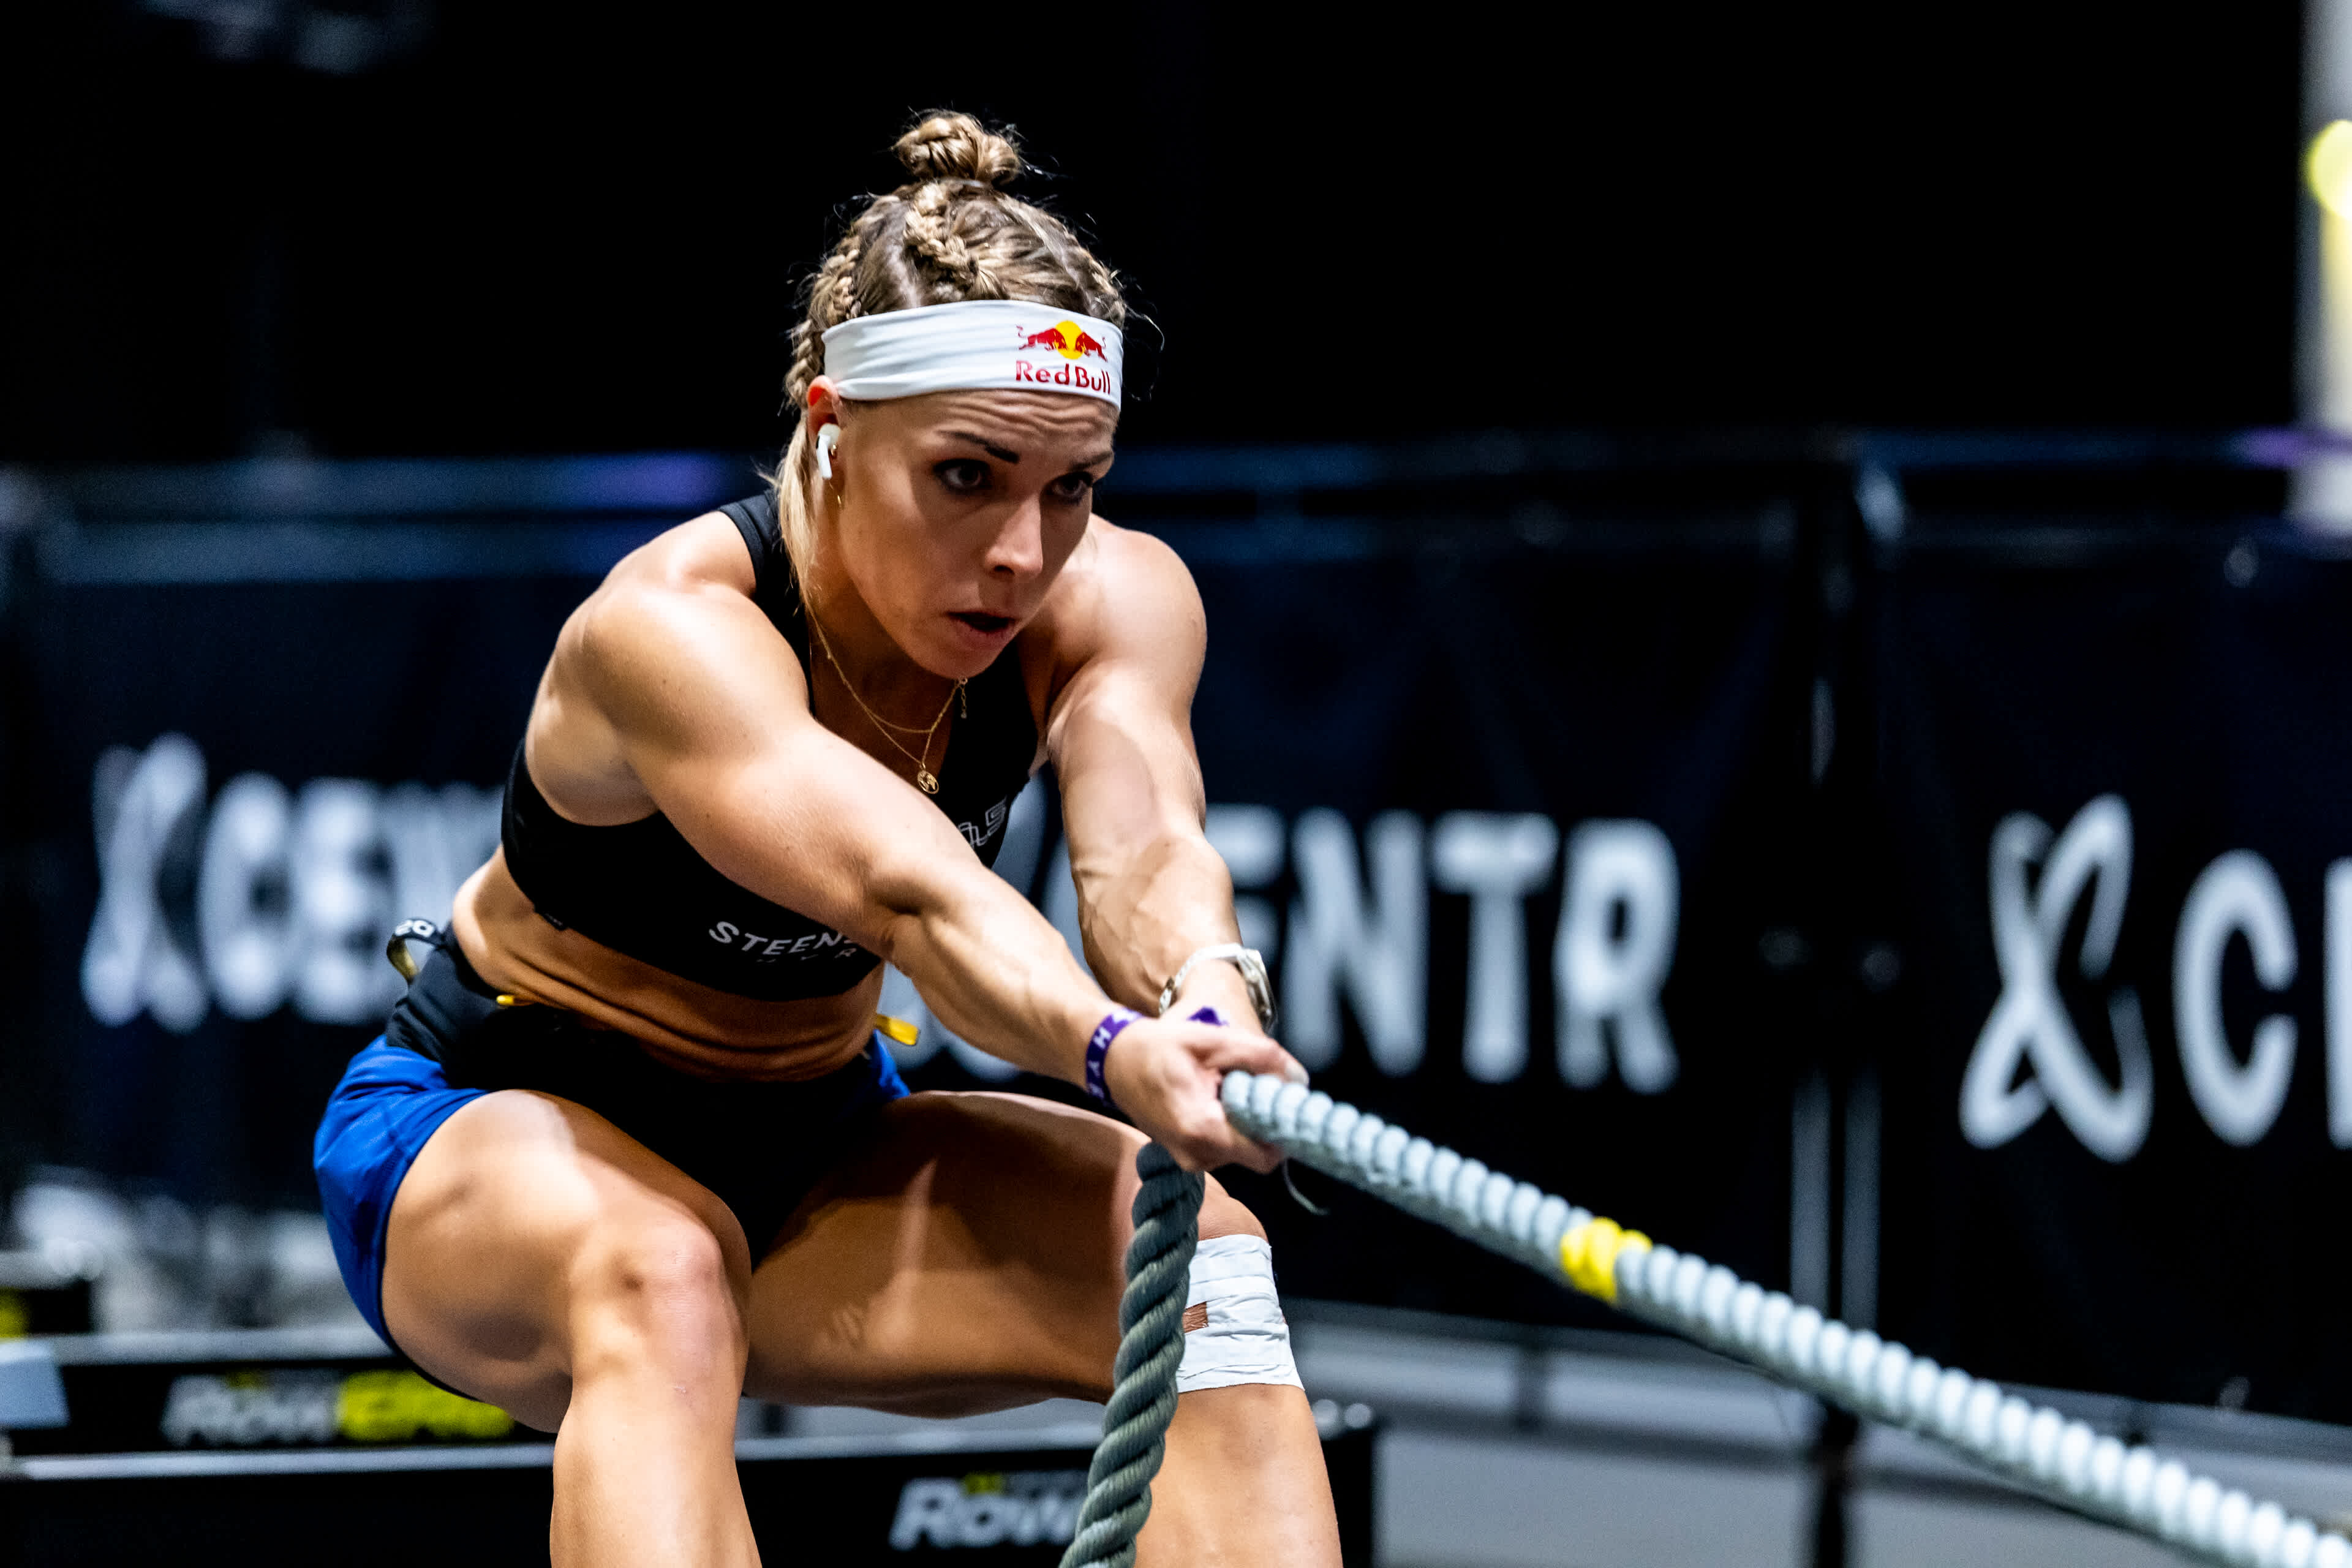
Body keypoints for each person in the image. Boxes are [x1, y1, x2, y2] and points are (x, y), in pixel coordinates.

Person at [312, 111, 1343, 1566]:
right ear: (831, 429)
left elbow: (1146, 850)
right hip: (488, 1133)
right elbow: (908, 892)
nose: (1021, 553)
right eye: (968, 475)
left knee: (1207, 1271)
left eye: (1072, 486)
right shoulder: (673, 626)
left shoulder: (1113, 601)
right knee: (662, 1268)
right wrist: (1114, 1050)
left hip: (813, 1154)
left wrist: (1208, 993)